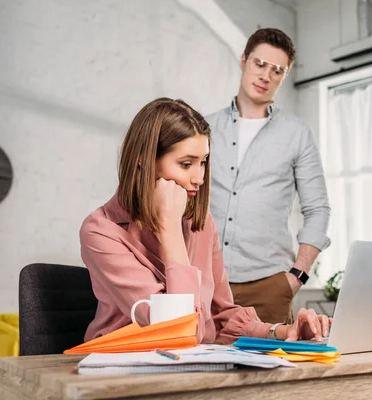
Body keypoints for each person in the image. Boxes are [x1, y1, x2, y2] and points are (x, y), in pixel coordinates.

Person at [80, 97, 330, 344]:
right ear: (144, 161)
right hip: (122, 369)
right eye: (186, 164)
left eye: (203, 162)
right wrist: (169, 229)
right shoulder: (101, 231)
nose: (199, 177)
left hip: (186, 369)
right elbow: (176, 331)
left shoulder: (201, 224)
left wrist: (284, 332)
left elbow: (222, 317)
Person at [206, 28, 331, 324]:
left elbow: (318, 209)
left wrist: (296, 275)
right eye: (259, 64)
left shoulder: (297, 134)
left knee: (271, 368)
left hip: (269, 287)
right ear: (244, 61)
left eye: (277, 71)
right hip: (205, 283)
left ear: (284, 77)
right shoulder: (204, 128)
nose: (266, 76)